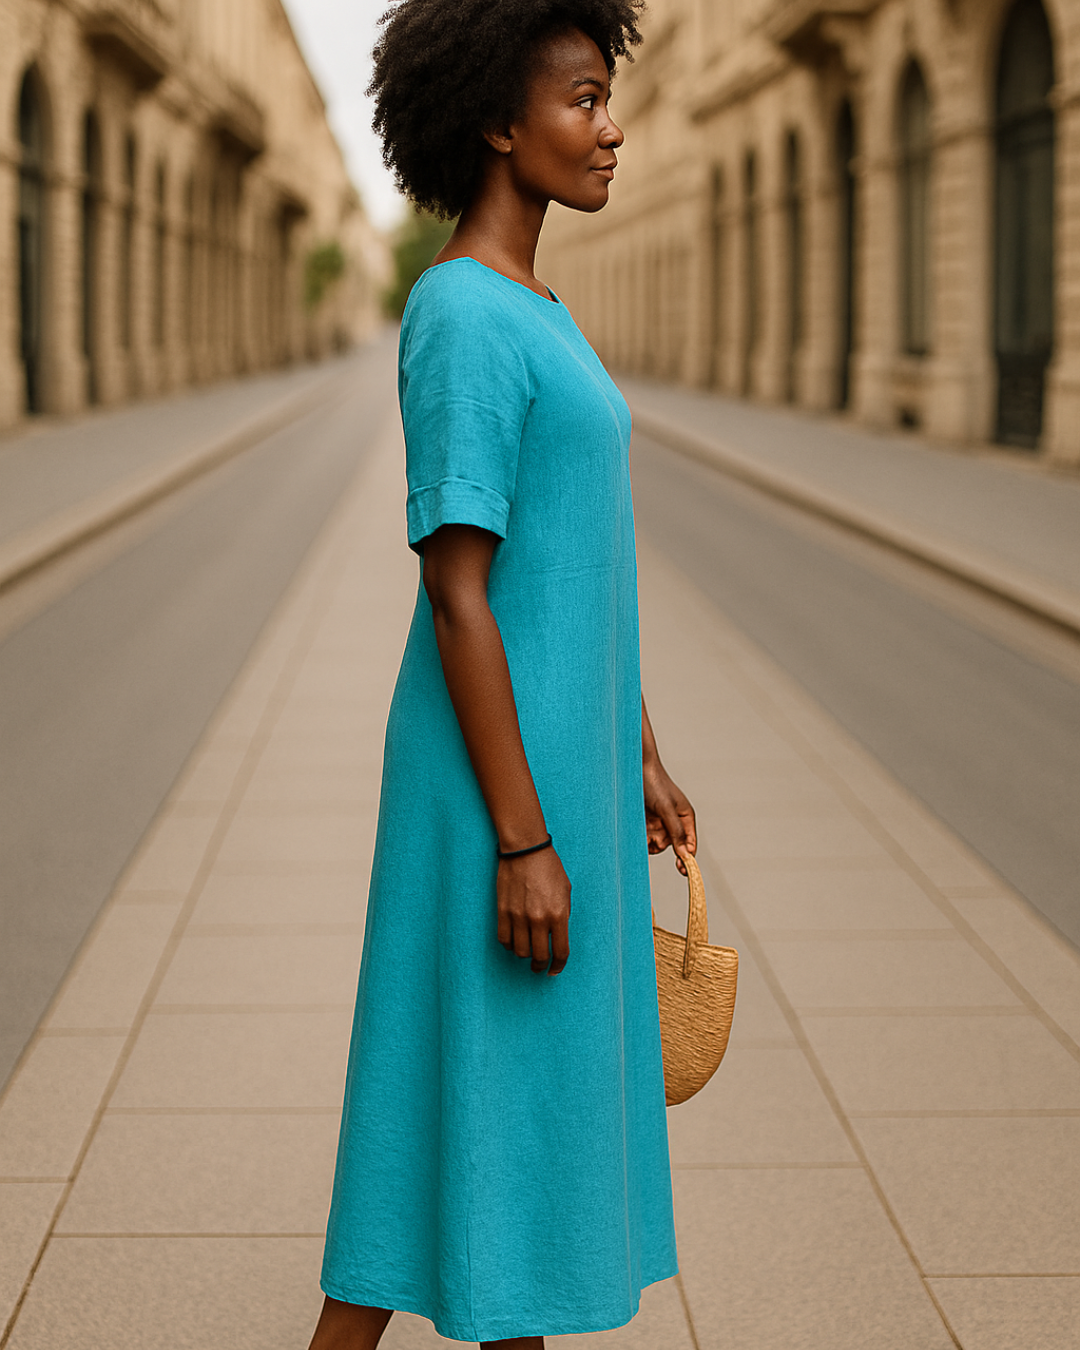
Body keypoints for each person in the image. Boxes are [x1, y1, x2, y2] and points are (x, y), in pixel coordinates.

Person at [309, 2, 697, 1346]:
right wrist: (524, 836)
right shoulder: (465, 314)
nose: (612, 125)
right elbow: (459, 590)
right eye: (584, 98)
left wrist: (637, 749)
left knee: (507, 1138)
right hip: (494, 791)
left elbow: (574, 564)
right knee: (435, 1139)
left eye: (606, 96)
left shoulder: (532, 302)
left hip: (556, 770)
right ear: (494, 121)